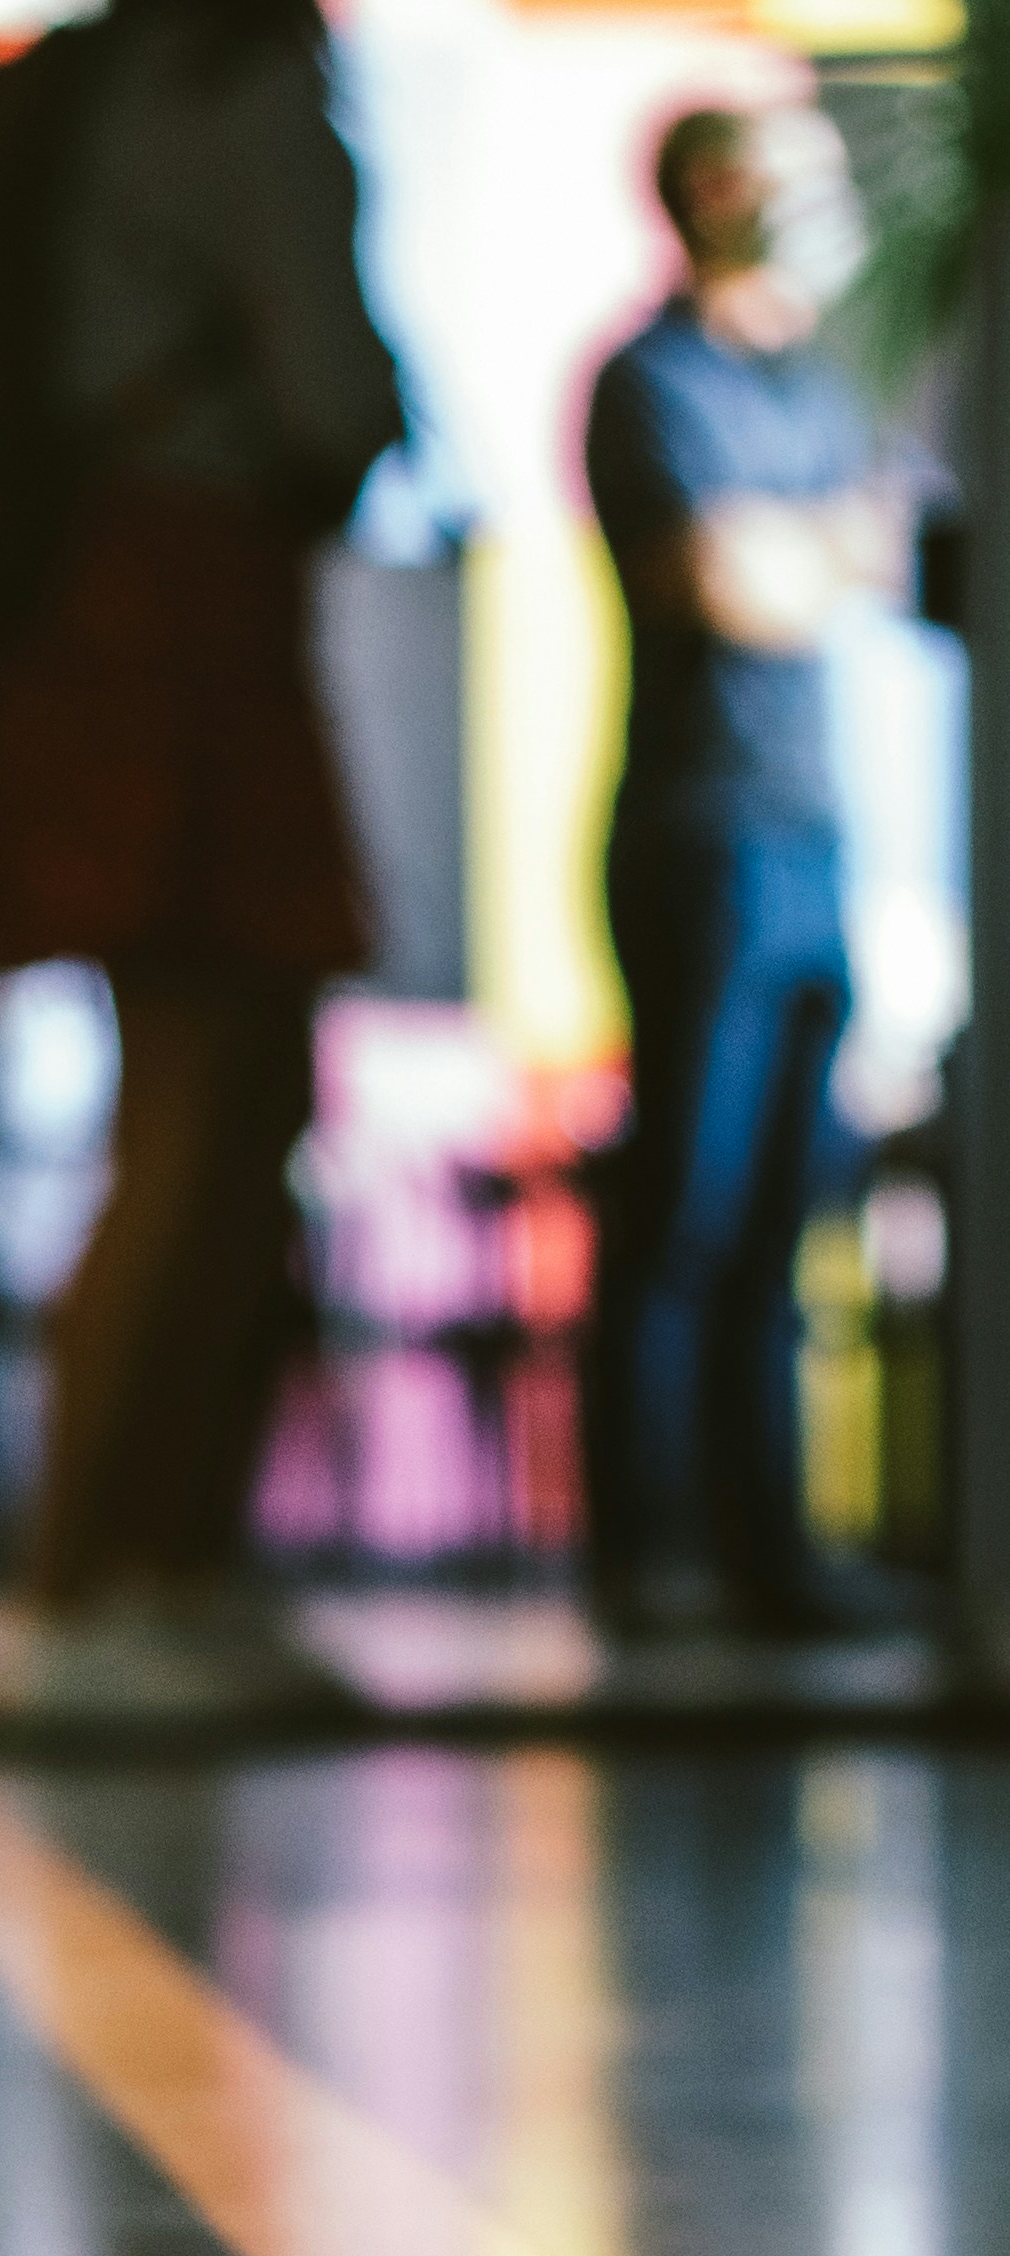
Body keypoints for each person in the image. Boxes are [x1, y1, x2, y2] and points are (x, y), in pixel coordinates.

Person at [0, 0, 404, 1720]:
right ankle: (81, 1586)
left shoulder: (99, 84)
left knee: (207, 1097)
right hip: (184, 604)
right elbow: (332, 391)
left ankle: (143, 1571)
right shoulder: (246, 83)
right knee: (208, 1100)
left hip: (90, 609)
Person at [583, 104, 896, 1646]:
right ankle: (643, 1562)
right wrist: (805, 554)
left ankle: (768, 1555)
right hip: (697, 834)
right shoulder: (647, 382)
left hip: (818, 833)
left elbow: (871, 554)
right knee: (684, 1206)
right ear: (717, 192)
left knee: (788, 1213)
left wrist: (807, 552)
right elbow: (732, 586)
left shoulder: (814, 387)